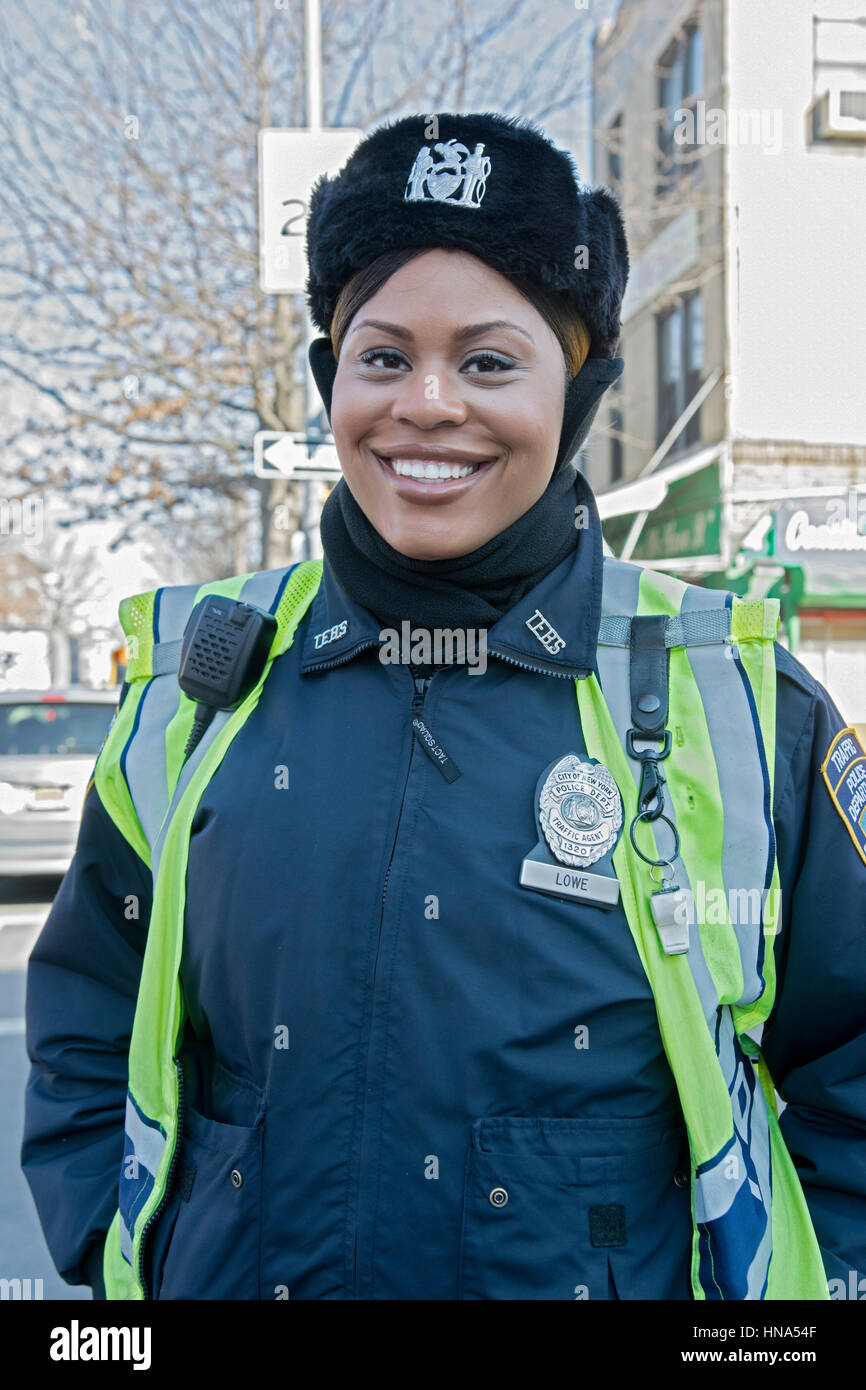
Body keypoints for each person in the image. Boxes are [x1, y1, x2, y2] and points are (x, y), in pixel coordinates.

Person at [21, 112, 866, 1302]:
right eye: (379, 356)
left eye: (485, 361)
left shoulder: (735, 698)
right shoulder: (194, 691)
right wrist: (119, 1262)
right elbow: (86, 1023)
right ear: (331, 383)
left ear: (575, 393)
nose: (425, 403)